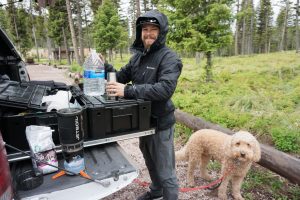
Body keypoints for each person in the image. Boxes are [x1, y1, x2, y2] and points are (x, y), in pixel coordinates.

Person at [105, 10, 182, 200]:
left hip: (160, 122)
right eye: (145, 29)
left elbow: (165, 89)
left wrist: (128, 90)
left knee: (166, 171)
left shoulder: (169, 58)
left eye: (153, 29)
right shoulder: (138, 57)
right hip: (142, 122)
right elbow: (121, 77)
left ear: (161, 32)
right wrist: (105, 67)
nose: (148, 33)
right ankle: (156, 193)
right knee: (149, 161)